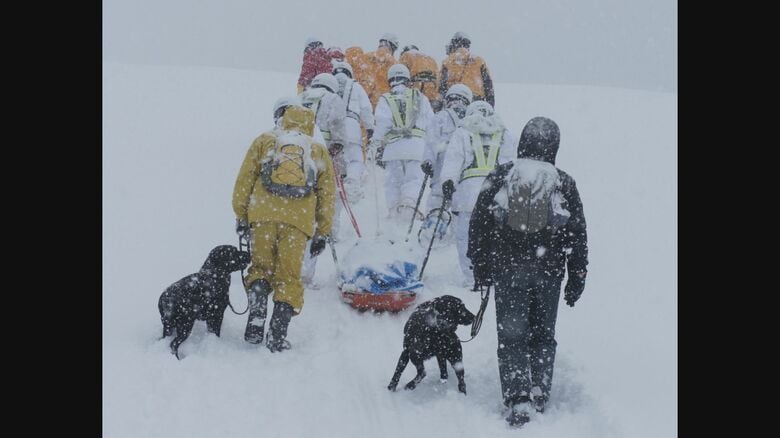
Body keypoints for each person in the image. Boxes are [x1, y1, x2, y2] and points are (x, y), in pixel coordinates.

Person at [467, 117, 589, 426]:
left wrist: (480, 266)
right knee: (543, 333)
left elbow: (479, 222)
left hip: (508, 269)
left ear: (523, 143)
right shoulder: (564, 181)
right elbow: (577, 234)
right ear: (554, 146)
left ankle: (517, 396)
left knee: (512, 334)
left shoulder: (502, 174)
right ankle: (539, 390)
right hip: (549, 271)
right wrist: (577, 276)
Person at [232, 103, 336, 352]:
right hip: (297, 222)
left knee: (260, 268)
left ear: (284, 119)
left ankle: (257, 316)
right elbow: (327, 194)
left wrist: (242, 214)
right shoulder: (317, 150)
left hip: (263, 215)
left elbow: (245, 178)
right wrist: (323, 230)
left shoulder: (265, 141)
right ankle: (277, 334)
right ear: (309, 123)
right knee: (288, 277)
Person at [439, 100, 516, 285]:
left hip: (468, 195)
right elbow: (511, 165)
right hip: (496, 196)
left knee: (466, 237)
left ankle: (471, 276)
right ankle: (493, 274)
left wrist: (448, 181)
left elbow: (454, 159)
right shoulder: (504, 134)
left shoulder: (463, 131)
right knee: (494, 235)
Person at [371, 63, 434, 219]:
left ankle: (393, 210)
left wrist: (375, 143)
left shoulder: (386, 99)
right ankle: (409, 204)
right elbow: (431, 123)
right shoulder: (420, 97)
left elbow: (382, 123)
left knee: (393, 182)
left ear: (390, 80)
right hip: (416, 147)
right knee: (413, 178)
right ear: (407, 79)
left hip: (394, 148)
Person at [299, 73, 348, 239]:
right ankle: (329, 230)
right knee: (331, 192)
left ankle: (305, 226)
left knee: (307, 189)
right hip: (326, 152)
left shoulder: (302, 97)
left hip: (302, 152)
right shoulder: (333, 99)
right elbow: (338, 123)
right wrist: (338, 144)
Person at [421, 83, 473, 213]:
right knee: (458, 212)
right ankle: (453, 232)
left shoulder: (440, 117)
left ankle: (432, 230)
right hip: (463, 175)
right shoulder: (472, 120)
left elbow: (431, 142)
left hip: (441, 170)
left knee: (436, 207)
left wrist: (428, 161)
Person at [332, 60, 375, 199]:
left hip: (333, 127)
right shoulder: (355, 86)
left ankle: (335, 186)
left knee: (335, 158)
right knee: (355, 159)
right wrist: (370, 128)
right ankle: (352, 186)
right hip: (352, 125)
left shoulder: (329, 86)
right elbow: (366, 108)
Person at [439, 32, 495, 107]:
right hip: (476, 101)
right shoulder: (479, 61)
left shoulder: (447, 61)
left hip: (454, 100)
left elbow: (441, 86)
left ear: (454, 45)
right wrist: (490, 105)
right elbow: (488, 85)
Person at [359, 33, 399, 108]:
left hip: (364, 102)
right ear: (392, 47)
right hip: (384, 105)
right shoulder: (395, 64)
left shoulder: (365, 57)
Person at [399, 45, 441, 111]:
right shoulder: (430, 58)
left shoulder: (406, 55)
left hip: (417, 88)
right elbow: (438, 79)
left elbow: (401, 76)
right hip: (432, 92)